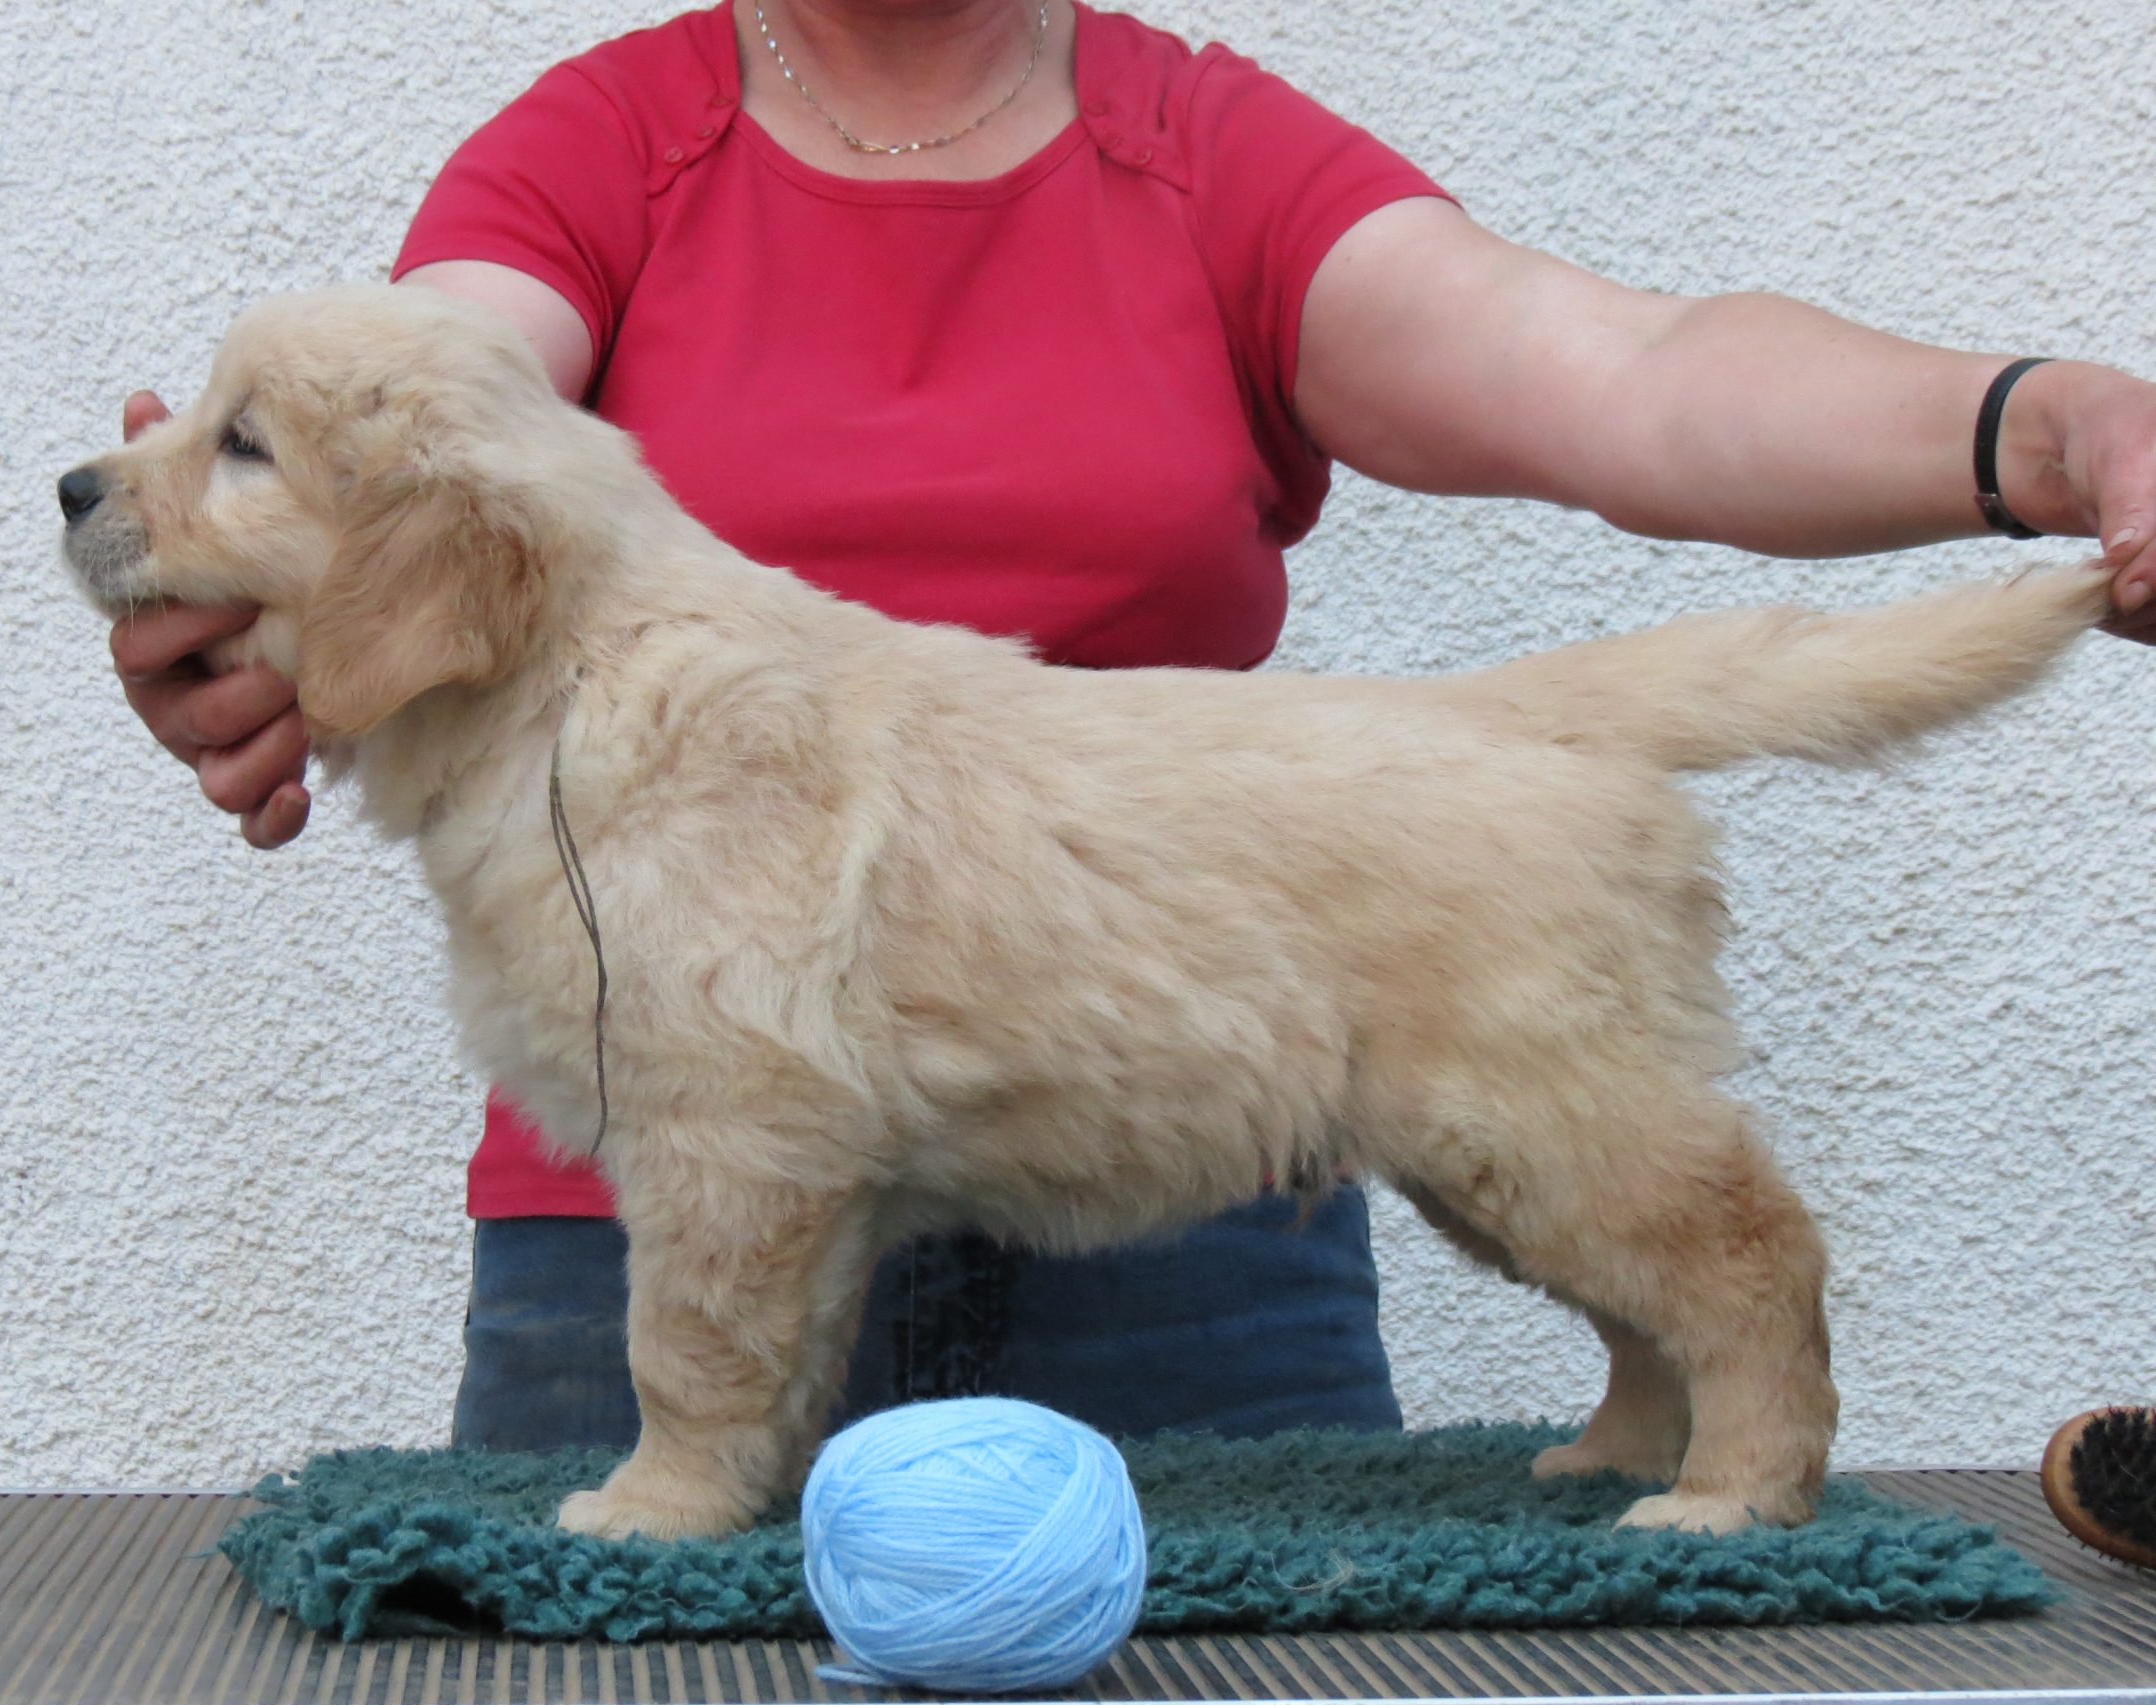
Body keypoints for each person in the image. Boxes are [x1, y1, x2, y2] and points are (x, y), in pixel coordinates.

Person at [103, 0, 2156, 1451]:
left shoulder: (1202, 151)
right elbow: (437, 424)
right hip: (637, 1235)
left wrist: (2041, 428)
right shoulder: (604, 142)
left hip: (1175, 1195)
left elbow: (1626, 378)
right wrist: (239, 577)